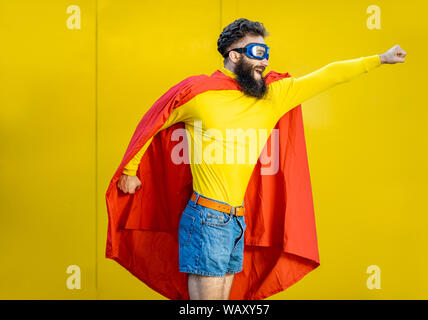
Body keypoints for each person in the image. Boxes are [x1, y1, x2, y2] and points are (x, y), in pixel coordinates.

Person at [112, 18, 407, 300]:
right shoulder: (198, 94)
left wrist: (379, 59)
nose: (265, 61)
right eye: (257, 52)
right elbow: (153, 122)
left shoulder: (274, 96)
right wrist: (130, 169)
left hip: (238, 219)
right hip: (206, 217)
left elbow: (327, 75)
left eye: (267, 53)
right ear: (234, 56)